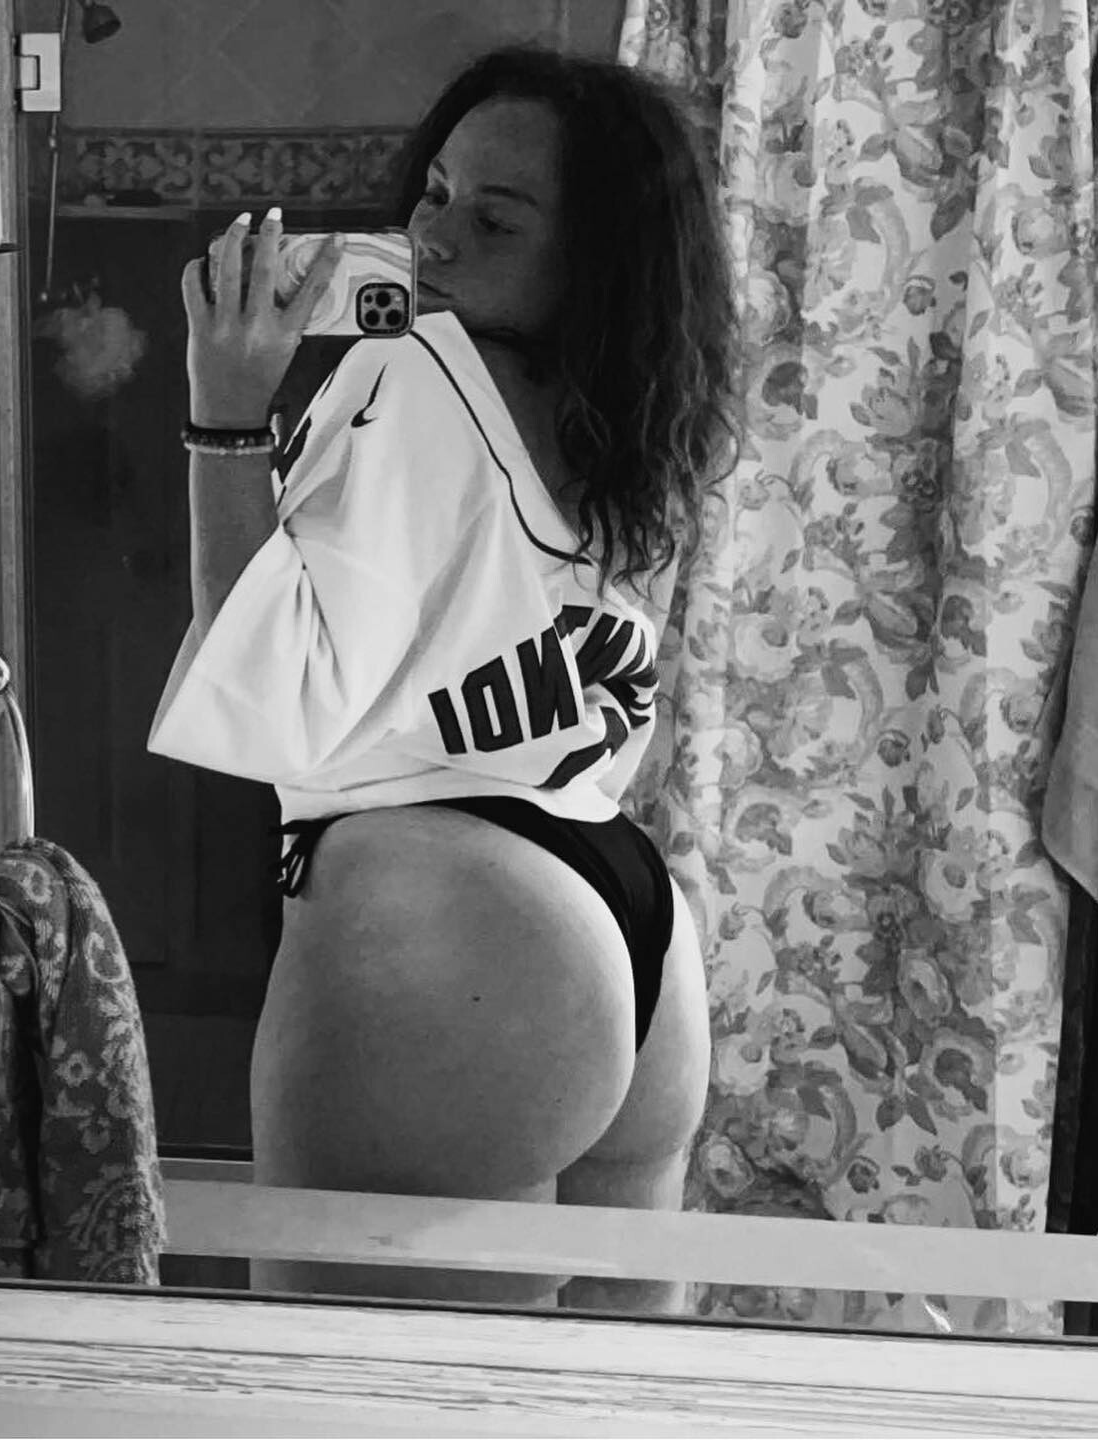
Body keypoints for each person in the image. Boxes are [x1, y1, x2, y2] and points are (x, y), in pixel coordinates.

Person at [147, 44, 745, 1313]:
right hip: (630, 922)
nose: (434, 237)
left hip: (440, 924)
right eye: (434, 192)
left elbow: (280, 700)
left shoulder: (414, 371)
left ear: (589, 257)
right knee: (602, 1397)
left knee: (354, 1398)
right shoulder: (626, 415)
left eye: (496, 219)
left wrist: (225, 412)